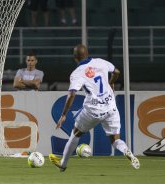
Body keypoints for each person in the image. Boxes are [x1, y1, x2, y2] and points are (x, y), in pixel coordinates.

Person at [49, 44, 140, 172]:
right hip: (110, 107)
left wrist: (64, 114)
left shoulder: (77, 73)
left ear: (75, 58)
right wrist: (111, 82)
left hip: (92, 110)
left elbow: (72, 94)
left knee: (75, 134)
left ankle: (63, 165)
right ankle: (127, 152)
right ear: (87, 53)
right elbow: (117, 72)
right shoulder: (100, 62)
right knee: (115, 140)